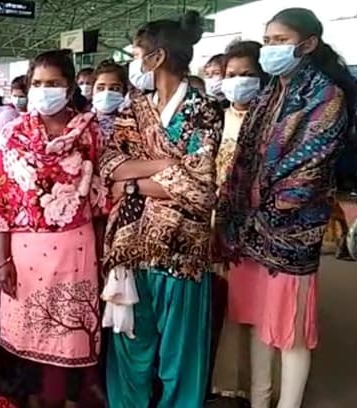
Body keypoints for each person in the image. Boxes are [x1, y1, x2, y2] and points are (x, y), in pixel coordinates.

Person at [217, 8, 357, 408]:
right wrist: (237, 214)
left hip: (290, 233)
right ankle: (260, 399)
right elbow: (244, 158)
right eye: (267, 41)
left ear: (308, 44)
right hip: (248, 231)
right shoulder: (269, 94)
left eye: (280, 41)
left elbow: (308, 169)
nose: (270, 49)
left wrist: (264, 209)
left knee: (290, 331)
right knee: (259, 321)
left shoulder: (326, 96)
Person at [104, 11, 222, 408]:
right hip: (131, 246)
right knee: (130, 346)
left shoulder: (204, 110)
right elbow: (110, 164)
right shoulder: (133, 109)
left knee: (180, 356)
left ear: (157, 58)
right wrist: (167, 166)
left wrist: (133, 184)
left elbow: (200, 188)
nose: (134, 63)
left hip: (182, 250)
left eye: (137, 54)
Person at [0, 49, 103, 407]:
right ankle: (36, 397)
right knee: (30, 330)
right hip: (25, 251)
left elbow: (99, 197)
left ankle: (66, 398)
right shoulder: (13, 133)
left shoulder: (89, 131)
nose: (44, 90)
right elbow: (3, 199)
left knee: (70, 332)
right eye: (38, 83)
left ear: (69, 87)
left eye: (53, 83)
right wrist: (3, 259)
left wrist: (105, 255)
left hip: (76, 248)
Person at [210, 40, 268, 402]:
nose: (238, 81)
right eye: (231, 74)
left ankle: (255, 386)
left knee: (256, 308)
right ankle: (223, 380)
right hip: (216, 222)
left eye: (247, 74)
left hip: (256, 225)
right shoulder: (215, 119)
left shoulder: (270, 121)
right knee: (222, 302)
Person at [91, 60, 127, 150]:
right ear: (92, 90)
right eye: (100, 88)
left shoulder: (132, 122)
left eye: (115, 88)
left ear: (124, 91)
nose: (107, 93)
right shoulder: (82, 123)